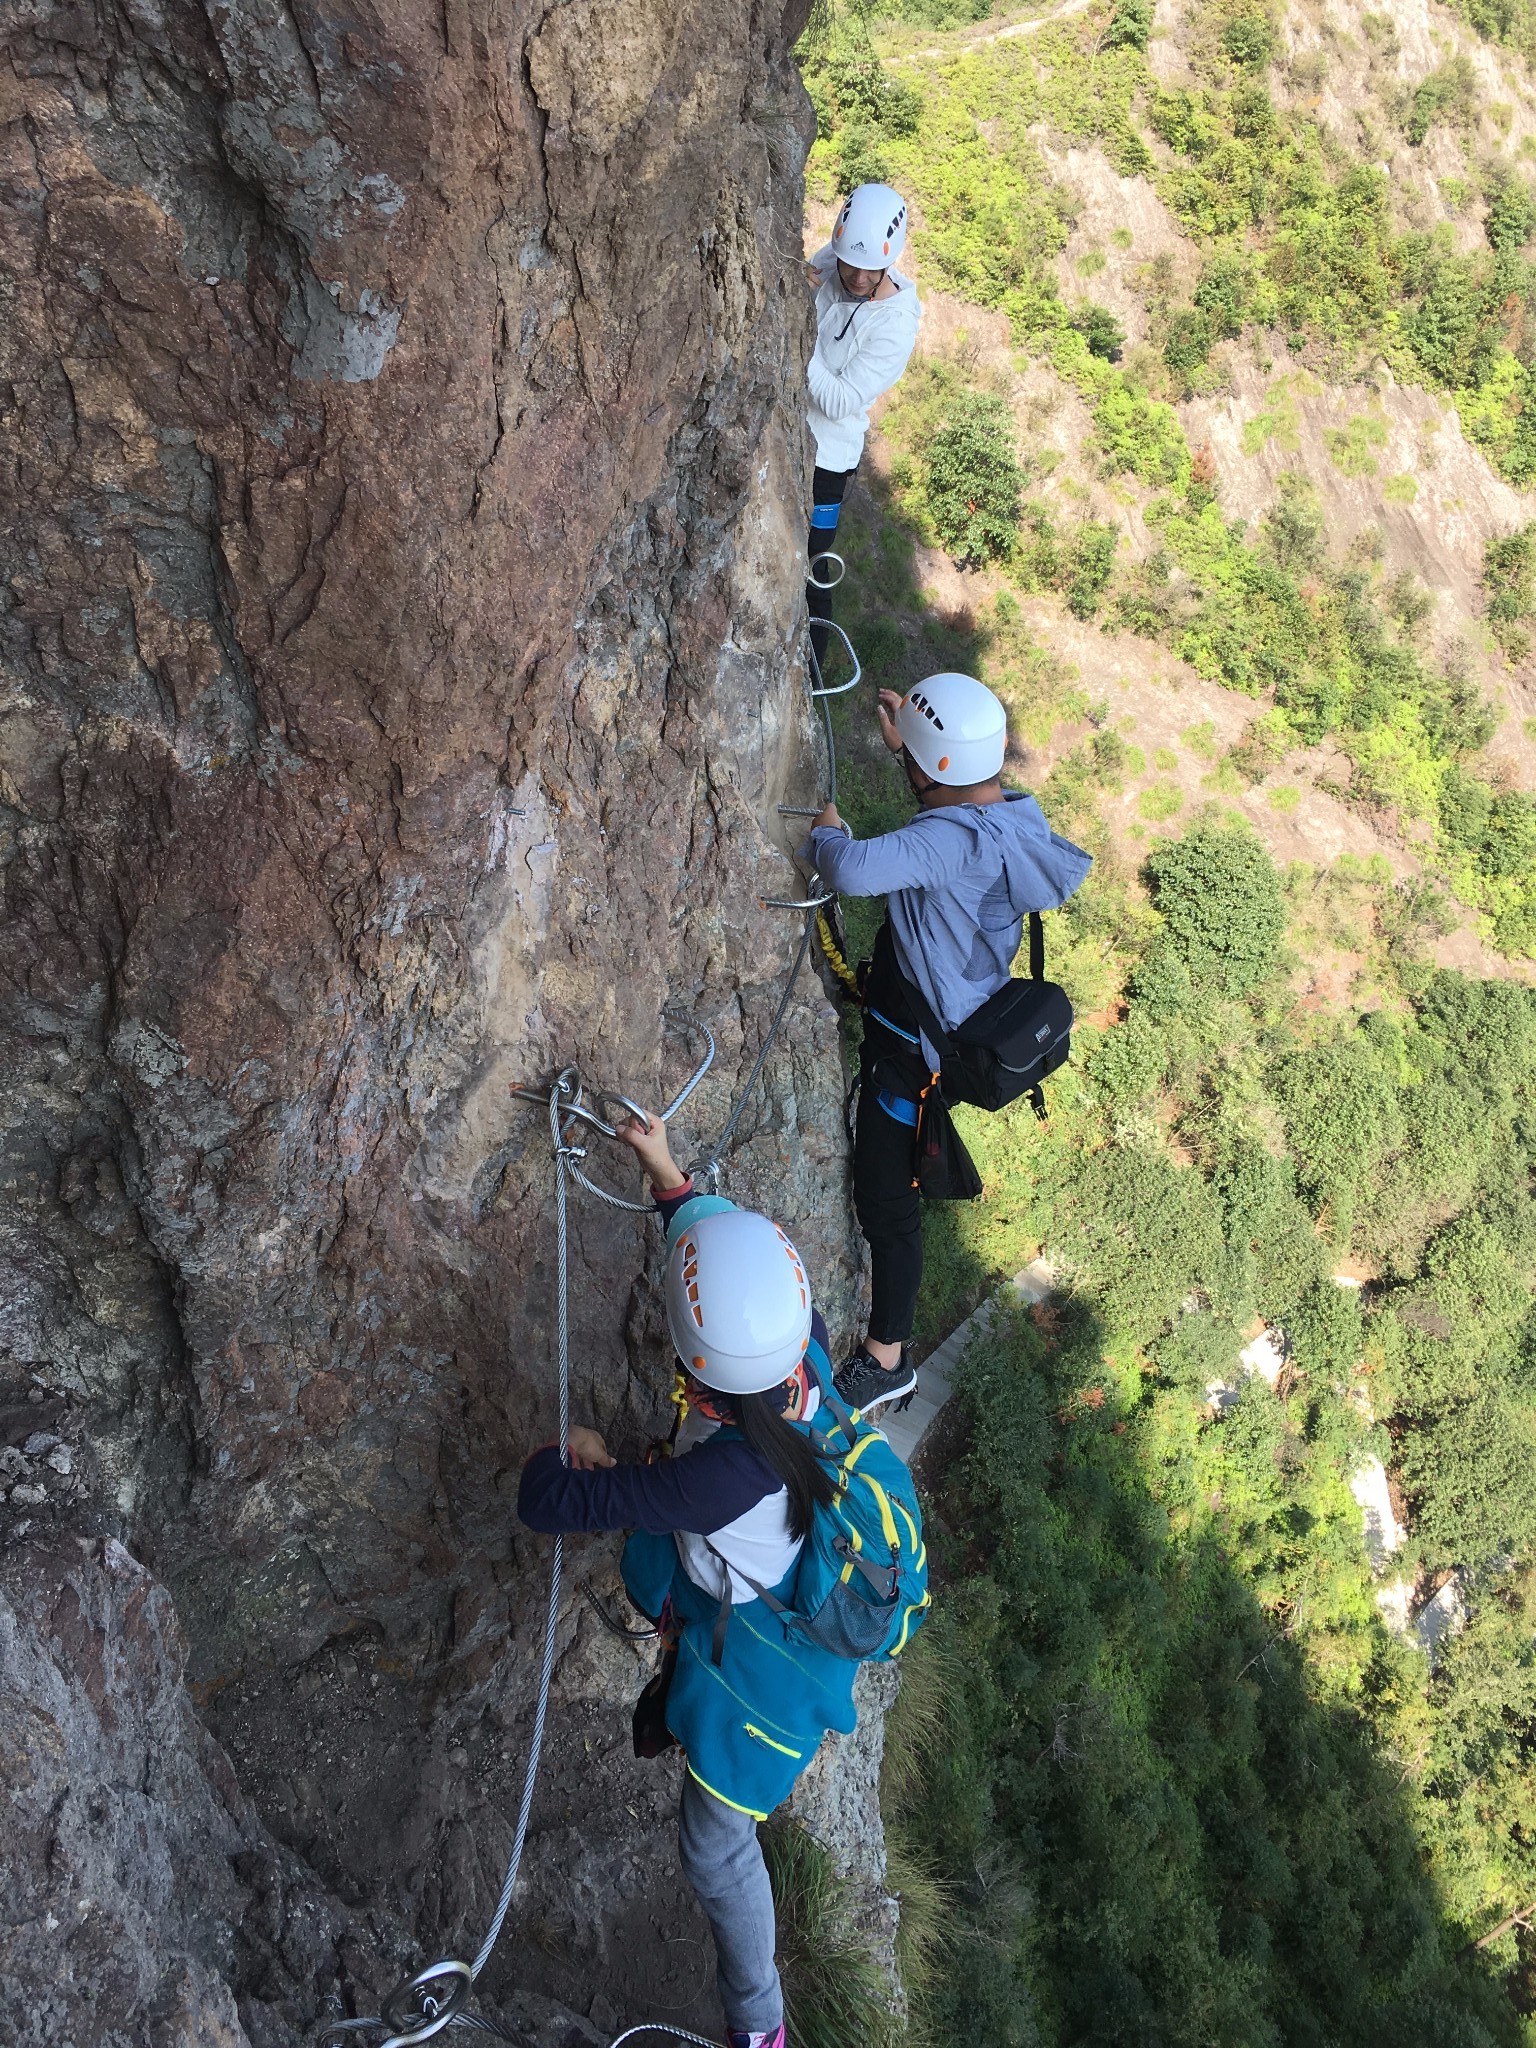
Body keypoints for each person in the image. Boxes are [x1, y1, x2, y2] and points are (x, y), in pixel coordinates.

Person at [516, 1111, 857, 2048]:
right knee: (653, 1549)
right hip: (760, 1581)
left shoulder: (712, 1480)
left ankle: (761, 2028)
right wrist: (663, 1166)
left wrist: (570, 1459)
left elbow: (548, 1502)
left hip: (766, 1681)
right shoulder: (805, 1348)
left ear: (699, 1384)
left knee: (715, 1849)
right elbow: (724, 1270)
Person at [802, 673, 1092, 1415]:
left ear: (933, 769)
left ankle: (888, 1357)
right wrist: (916, 748)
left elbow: (849, 868)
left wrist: (828, 827)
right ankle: (888, 1350)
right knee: (889, 1192)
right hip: (960, 1008)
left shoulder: (947, 842)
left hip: (914, 1051)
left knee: (886, 1198)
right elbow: (954, 813)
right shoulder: (1015, 818)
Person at [804, 183, 922, 673]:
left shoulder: (894, 328)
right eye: (846, 261)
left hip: (827, 462)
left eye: (864, 269)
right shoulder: (837, 259)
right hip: (789, 427)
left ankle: (811, 673)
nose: (850, 275)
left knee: (811, 564)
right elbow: (818, 274)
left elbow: (838, 401)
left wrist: (790, 337)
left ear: (888, 263)